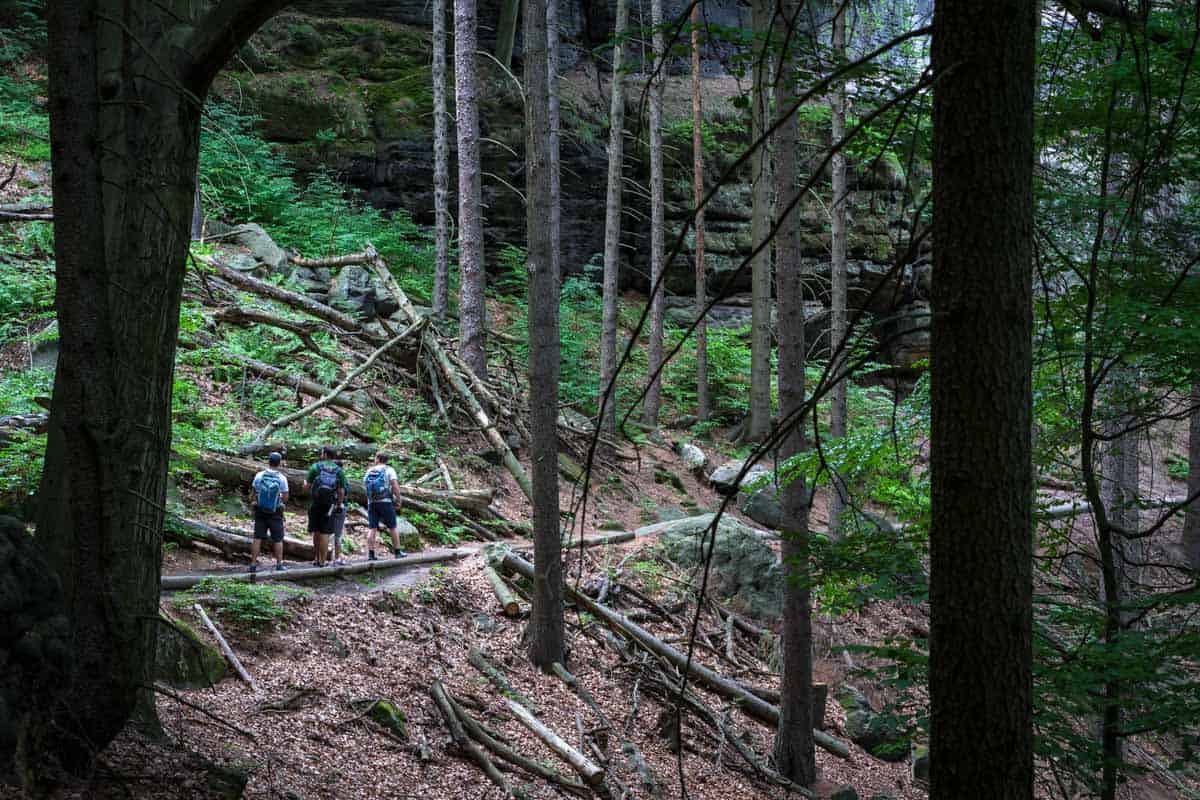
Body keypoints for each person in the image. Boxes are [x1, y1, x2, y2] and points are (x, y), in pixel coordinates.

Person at [302, 446, 347, 568]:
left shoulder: (315, 467)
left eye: (322, 453)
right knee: (325, 533)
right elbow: (341, 491)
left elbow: (306, 487)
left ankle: (316, 559)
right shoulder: (339, 471)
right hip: (329, 506)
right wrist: (338, 504)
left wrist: (306, 486)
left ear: (325, 454)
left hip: (315, 504)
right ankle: (322, 562)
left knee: (316, 531)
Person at [250, 452, 289, 573]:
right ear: (279, 463)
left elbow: (253, 493)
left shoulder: (259, 475)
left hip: (260, 510)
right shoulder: (282, 478)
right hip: (275, 512)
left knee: (257, 537)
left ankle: (253, 564)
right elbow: (286, 497)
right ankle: (279, 564)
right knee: (278, 539)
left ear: (268, 461)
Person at [364, 451, 407, 560]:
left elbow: (365, 485)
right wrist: (398, 499)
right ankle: (397, 552)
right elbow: (394, 485)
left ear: (378, 459)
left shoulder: (370, 471)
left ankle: (371, 554)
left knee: (372, 528)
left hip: (372, 503)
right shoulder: (389, 470)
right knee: (392, 527)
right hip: (386, 502)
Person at [329, 458, 349, 566]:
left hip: (327, 507)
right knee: (338, 534)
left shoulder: (326, 477)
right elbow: (344, 492)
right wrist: (339, 504)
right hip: (339, 507)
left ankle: (319, 558)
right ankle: (337, 558)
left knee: (325, 532)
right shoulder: (342, 479)